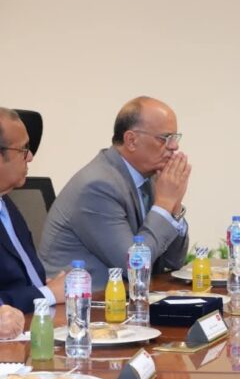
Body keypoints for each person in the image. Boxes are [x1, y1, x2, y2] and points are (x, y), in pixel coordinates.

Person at [39, 96, 191, 289]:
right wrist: (164, 205)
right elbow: (134, 267)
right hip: (82, 301)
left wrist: (174, 208)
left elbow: (173, 262)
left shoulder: (152, 179)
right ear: (131, 140)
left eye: (175, 138)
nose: (174, 146)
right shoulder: (98, 186)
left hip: (126, 296)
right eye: (165, 138)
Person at [0, 108, 61, 332]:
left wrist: (47, 287)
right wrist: (48, 293)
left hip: (35, 323)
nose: (30, 157)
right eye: (23, 149)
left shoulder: (7, 204)